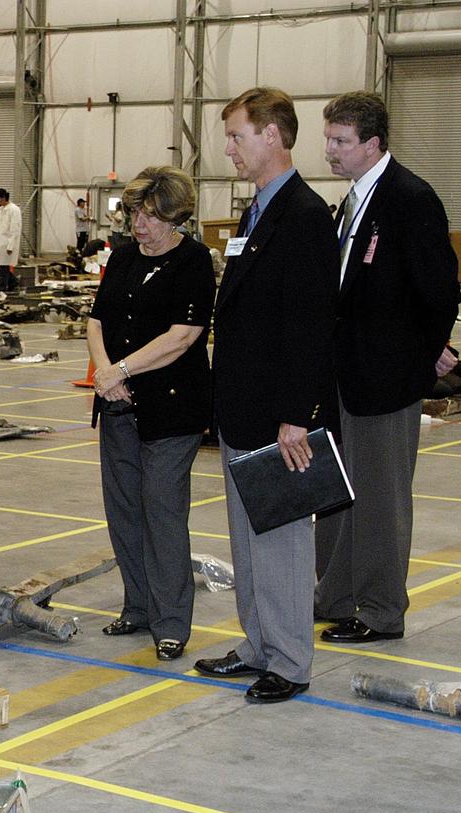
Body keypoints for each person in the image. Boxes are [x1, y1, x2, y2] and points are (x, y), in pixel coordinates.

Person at [192, 87, 338, 704]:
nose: (229, 148)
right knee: (248, 538)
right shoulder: (257, 213)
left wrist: (294, 417)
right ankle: (258, 645)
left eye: (236, 136)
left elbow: (310, 326)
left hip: (278, 415)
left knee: (279, 539)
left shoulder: (302, 216)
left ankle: (290, 660)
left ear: (271, 136)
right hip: (242, 408)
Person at [314, 91, 461, 643]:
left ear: (373, 144)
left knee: (379, 499)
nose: (329, 151)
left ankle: (379, 610)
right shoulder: (351, 202)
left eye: (340, 142)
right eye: (329, 139)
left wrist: (418, 362)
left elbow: (440, 290)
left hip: (385, 381)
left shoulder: (410, 200)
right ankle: (334, 594)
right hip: (342, 376)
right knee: (334, 490)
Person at [87, 166, 214, 661]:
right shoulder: (121, 258)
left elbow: (183, 337)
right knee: (123, 511)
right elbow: (96, 320)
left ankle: (171, 622)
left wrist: (119, 369)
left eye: (151, 215)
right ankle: (137, 606)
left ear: (176, 216)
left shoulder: (194, 260)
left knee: (162, 513)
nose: (140, 224)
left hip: (172, 409)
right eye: (135, 212)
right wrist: (104, 373)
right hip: (116, 402)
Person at [0, 187, 21, 292]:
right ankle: (13, 281)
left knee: (3, 268)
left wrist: (11, 245)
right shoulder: (0, 209)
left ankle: (2, 290)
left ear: (2, 198)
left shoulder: (14, 210)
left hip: (6, 243)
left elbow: (15, 229)